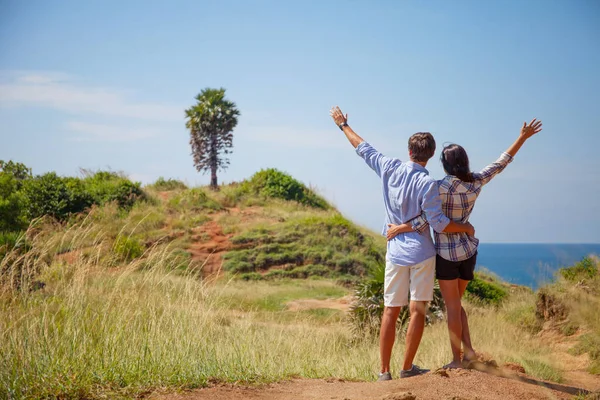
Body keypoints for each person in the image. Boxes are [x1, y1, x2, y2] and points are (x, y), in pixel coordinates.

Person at [329, 106, 475, 380]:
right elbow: (439, 223)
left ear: (409, 151)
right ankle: (407, 367)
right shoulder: (428, 183)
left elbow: (362, 148)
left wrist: (343, 125)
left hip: (395, 252)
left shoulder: (388, 167)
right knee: (417, 309)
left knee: (390, 311)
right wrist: (465, 227)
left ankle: (383, 371)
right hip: (422, 253)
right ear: (430, 155)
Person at [387, 119, 543, 369]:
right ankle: (469, 352)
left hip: (448, 255)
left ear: (445, 165)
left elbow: (426, 218)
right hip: (469, 251)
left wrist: (401, 228)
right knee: (457, 305)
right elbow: (501, 162)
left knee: (452, 307)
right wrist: (522, 138)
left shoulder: (436, 187)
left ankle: (456, 360)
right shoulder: (475, 183)